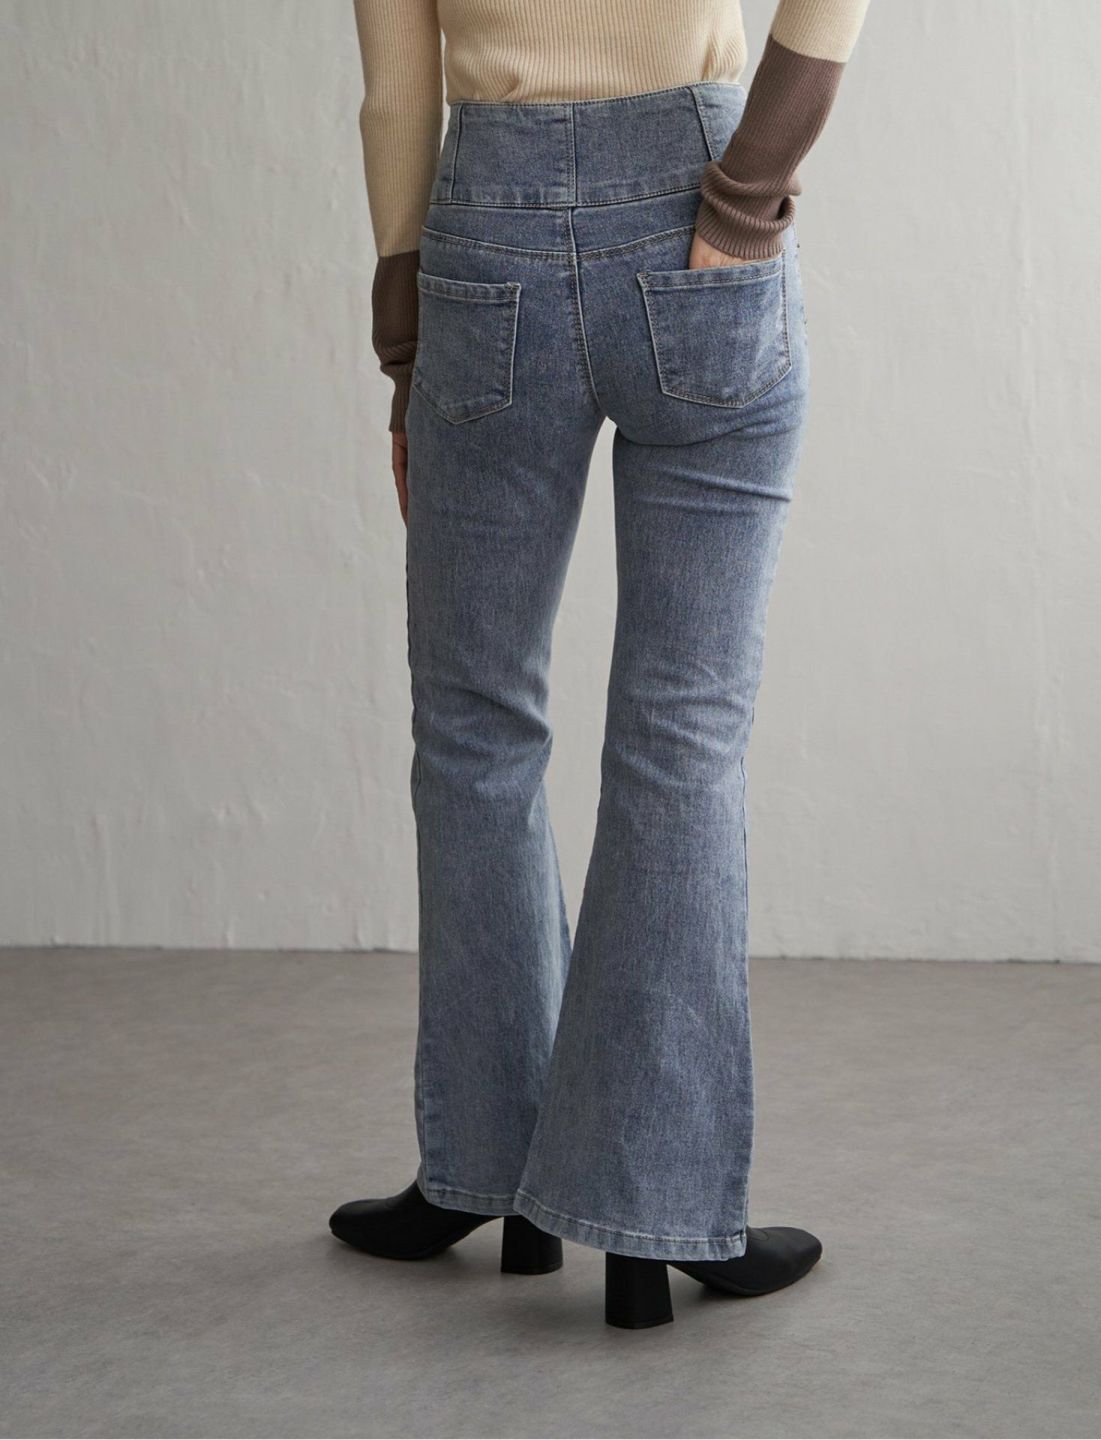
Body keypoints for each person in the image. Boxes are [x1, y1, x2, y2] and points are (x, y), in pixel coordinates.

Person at [331, 0, 871, 1330]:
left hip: (486, 229)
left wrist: (406, 349)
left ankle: (487, 1169)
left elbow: (397, 94)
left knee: (475, 725)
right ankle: (652, 1203)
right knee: (682, 737)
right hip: (701, 199)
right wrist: (747, 195)